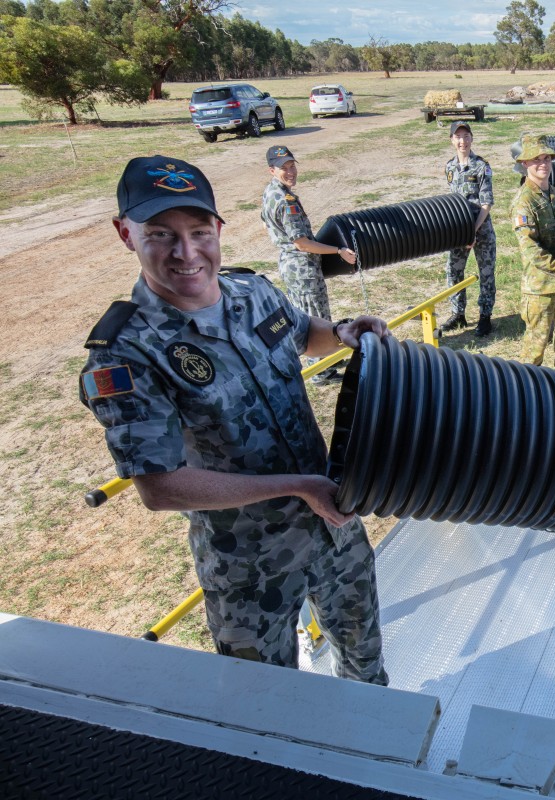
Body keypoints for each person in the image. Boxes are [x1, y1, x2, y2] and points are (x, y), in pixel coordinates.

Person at [80, 155, 389, 686]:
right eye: (160, 235)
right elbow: (161, 488)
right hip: (248, 566)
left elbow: (299, 333)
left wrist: (340, 332)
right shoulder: (124, 354)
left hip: (335, 528)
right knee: (265, 702)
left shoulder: (252, 294)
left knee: (366, 666)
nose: (186, 252)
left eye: (198, 231)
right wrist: (299, 486)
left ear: (218, 228)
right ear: (125, 234)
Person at [261, 145, 356, 384]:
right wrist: (338, 251)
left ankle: (326, 360)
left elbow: (266, 223)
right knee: (315, 316)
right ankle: (322, 372)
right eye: (284, 168)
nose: (291, 171)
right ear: (272, 170)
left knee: (309, 313)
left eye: (292, 166)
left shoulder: (271, 192)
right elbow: (302, 243)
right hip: (302, 268)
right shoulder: (285, 201)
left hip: (292, 265)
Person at [511, 134, 555, 370]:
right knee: (535, 348)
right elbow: (531, 249)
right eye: (536, 159)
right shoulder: (524, 202)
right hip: (541, 287)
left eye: (547, 158)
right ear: (525, 164)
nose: (543, 163)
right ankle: (528, 394)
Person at [443, 121, 497, 337]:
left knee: (486, 273)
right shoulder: (449, 167)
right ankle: (458, 314)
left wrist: (473, 231)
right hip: (458, 232)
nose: (462, 141)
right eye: (458, 137)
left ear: (471, 139)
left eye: (466, 136)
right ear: (452, 140)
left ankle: (485, 317)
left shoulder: (482, 167)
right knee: (453, 271)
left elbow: (486, 204)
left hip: (481, 230)